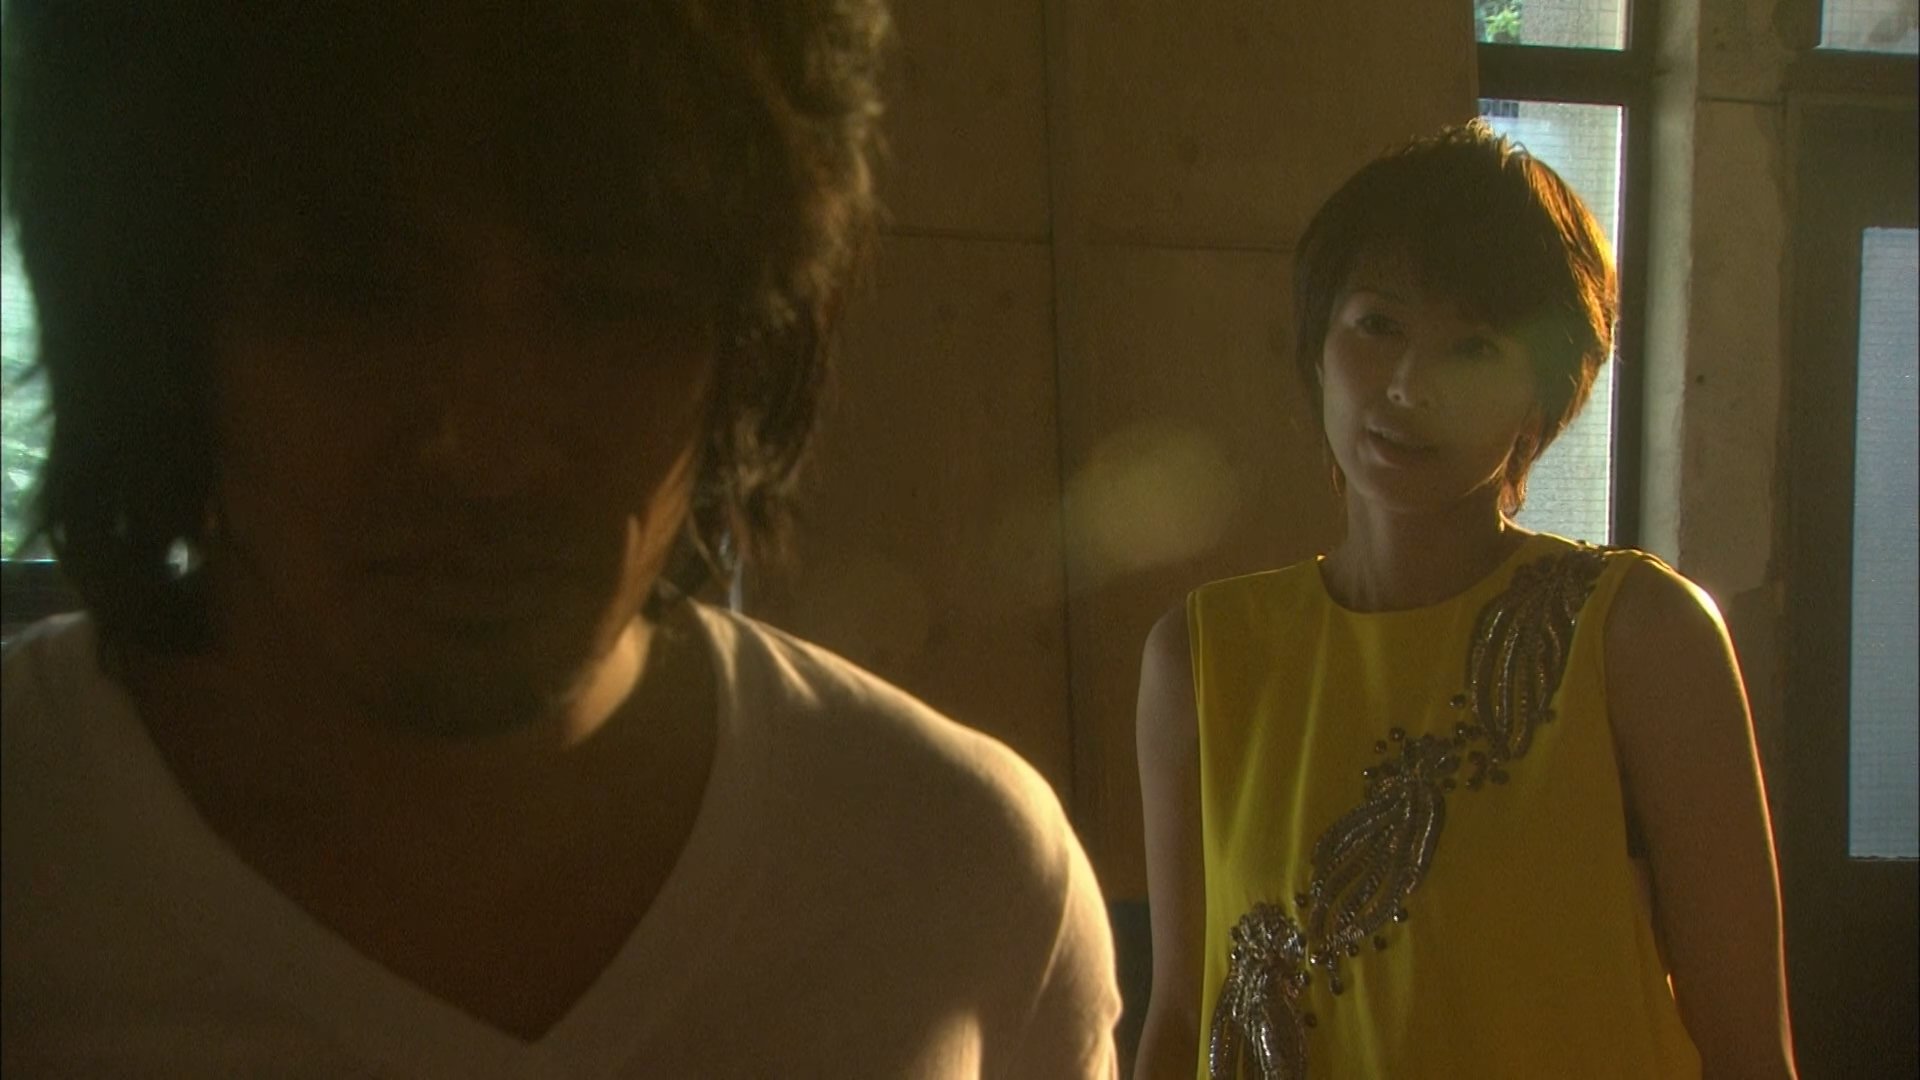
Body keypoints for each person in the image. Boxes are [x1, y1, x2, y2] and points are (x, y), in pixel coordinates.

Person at [0, 4, 1121, 1076]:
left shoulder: (953, 876)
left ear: (748, 336)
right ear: (159, 323)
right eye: (358, 300)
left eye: (609, 302)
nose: (491, 452)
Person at [1131, 123, 1796, 1080]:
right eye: (1379, 326)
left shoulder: (1641, 633)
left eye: (1474, 347)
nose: (1411, 386)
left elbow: (1749, 1050)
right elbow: (1180, 1015)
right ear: (1317, 344)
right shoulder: (1200, 656)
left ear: (1541, 396)